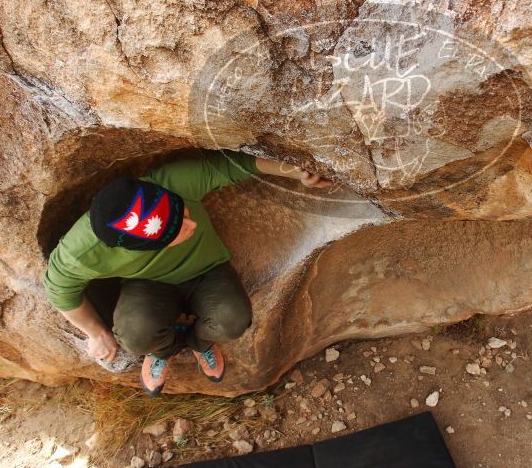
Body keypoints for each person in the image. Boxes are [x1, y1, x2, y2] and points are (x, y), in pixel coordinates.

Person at [43, 151, 331, 396]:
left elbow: (231, 165)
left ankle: (199, 343)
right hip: (148, 283)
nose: (190, 225)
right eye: (176, 231)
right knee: (135, 335)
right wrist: (97, 333)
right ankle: (161, 351)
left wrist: (296, 172)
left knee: (233, 320)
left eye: (181, 213)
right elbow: (59, 288)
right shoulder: (83, 252)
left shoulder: (168, 183)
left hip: (207, 269)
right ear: (141, 248)